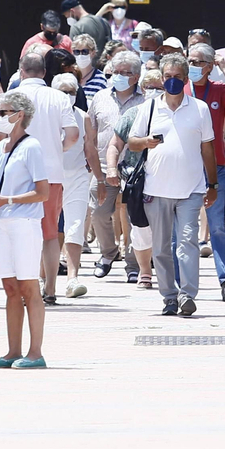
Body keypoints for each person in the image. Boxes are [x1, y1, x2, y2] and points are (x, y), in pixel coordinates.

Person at [124, 55, 216, 316]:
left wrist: (213, 184)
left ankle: (187, 294)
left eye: (177, 77)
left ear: (186, 80)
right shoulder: (149, 108)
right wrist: (145, 142)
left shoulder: (199, 109)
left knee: (187, 242)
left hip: (191, 189)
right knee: (162, 247)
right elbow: (131, 142)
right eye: (168, 77)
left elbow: (207, 147)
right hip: (156, 189)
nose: (172, 81)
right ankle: (169, 297)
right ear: (161, 79)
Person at [0, 91, 50, 369]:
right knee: (10, 287)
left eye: (3, 112)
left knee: (29, 286)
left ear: (18, 115)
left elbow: (42, 192)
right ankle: (12, 351)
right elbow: (6, 187)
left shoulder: (32, 146)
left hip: (24, 223)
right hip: (4, 222)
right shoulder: (5, 148)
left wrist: (6, 200)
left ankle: (35, 352)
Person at [15, 51, 78, 303]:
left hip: (19, 175)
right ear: (44, 72)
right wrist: (56, 148)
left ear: (21, 71)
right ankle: (50, 289)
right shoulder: (59, 98)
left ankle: (25, 289)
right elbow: (72, 135)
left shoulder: (13, 97)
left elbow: (0, 137)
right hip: (51, 173)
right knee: (50, 233)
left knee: (21, 233)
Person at [187, 45, 225, 302]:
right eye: (190, 61)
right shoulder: (180, 88)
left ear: (209, 65)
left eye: (199, 62)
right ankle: (182, 284)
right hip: (184, 168)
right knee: (183, 229)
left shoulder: (218, 88)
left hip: (214, 167)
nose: (193, 66)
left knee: (217, 226)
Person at [85, 50, 145, 279]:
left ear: (136, 77)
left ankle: (133, 264)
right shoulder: (101, 97)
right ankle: (108, 254)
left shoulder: (146, 100)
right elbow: (91, 132)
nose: (119, 76)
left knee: (133, 217)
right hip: (103, 166)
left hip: (135, 169)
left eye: (125, 73)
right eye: (116, 72)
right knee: (99, 213)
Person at [106, 70, 167, 289]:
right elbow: (115, 144)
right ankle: (144, 271)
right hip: (137, 179)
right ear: (142, 89)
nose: (153, 91)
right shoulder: (133, 114)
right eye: (149, 87)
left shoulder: (174, 114)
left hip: (168, 177)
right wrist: (112, 169)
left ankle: (165, 270)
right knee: (140, 227)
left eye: (158, 87)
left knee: (167, 227)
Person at [52, 73, 93, 298]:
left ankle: (73, 278)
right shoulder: (45, 117)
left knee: (75, 224)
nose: (67, 96)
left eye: (71, 92)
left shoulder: (83, 117)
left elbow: (91, 150)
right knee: (48, 227)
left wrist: (101, 179)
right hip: (50, 177)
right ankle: (43, 278)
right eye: (63, 91)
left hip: (77, 175)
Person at [72, 34, 108, 103]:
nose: (80, 55)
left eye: (84, 52)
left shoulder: (101, 79)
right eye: (77, 52)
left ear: (93, 53)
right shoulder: (68, 76)